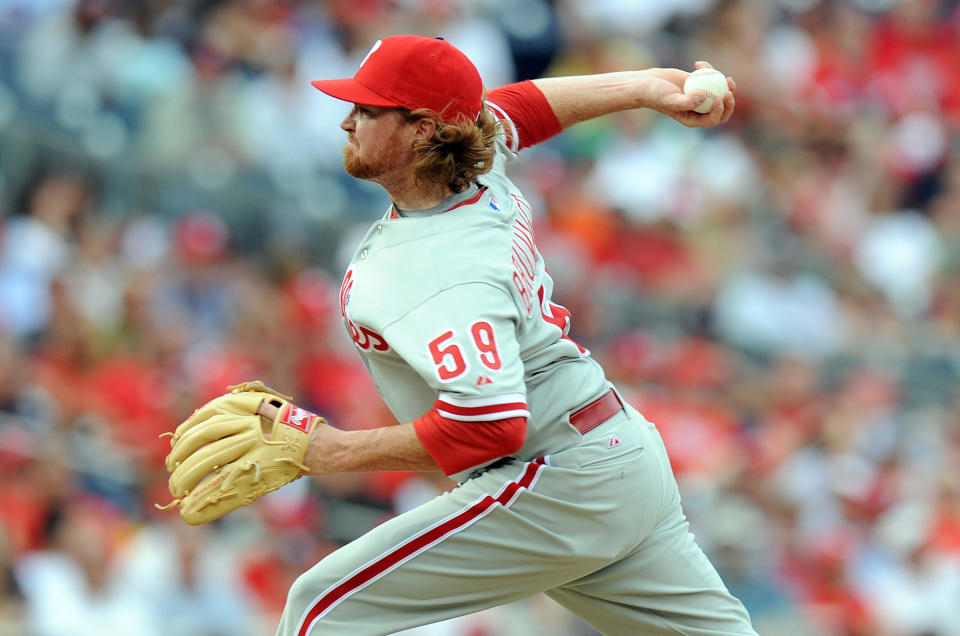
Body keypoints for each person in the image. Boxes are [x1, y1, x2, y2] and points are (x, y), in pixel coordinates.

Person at [179, 34, 756, 635]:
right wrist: (641, 88)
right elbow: (523, 108)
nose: (348, 120)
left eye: (368, 110)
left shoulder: (444, 272)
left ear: (424, 130)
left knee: (320, 610)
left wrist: (330, 452)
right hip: (616, 457)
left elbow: (489, 424)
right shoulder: (475, 164)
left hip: (556, 474)